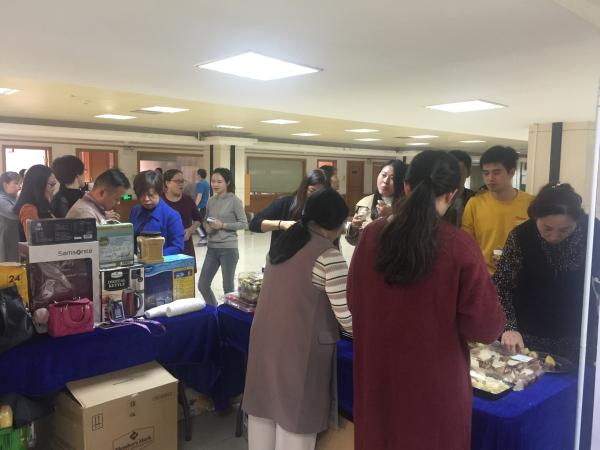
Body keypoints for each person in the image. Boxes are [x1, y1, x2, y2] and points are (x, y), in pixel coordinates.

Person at [347, 150, 505, 450]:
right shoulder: (459, 246)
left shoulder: (371, 235)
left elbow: (354, 301)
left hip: (378, 374)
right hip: (433, 385)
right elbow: (484, 327)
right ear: (452, 194)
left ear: (406, 186)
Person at [243, 188, 352, 450]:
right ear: (337, 223)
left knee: (263, 415)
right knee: (295, 423)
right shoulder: (328, 256)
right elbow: (349, 321)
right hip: (300, 350)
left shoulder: (283, 245)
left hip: (265, 343)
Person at [494, 183, 599, 361]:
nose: (554, 236)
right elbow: (501, 286)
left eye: (564, 230)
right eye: (547, 228)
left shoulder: (594, 232)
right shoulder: (521, 236)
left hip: (579, 335)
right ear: (535, 217)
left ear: (577, 220)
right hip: (527, 335)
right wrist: (509, 327)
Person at [462, 145, 533, 273]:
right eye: (486, 173)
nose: (490, 178)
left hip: (521, 273)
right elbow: (467, 244)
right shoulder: (474, 204)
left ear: (511, 172)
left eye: (496, 172)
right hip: (485, 274)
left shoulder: (530, 203)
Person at [198, 168, 248, 306]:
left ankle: (228, 314)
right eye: (213, 181)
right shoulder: (211, 201)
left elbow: (244, 223)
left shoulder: (234, 201)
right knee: (202, 284)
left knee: (228, 288)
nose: (215, 184)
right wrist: (207, 227)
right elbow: (206, 219)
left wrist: (223, 225)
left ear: (228, 182)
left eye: (219, 182)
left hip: (229, 249)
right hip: (212, 248)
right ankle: (215, 310)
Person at [249, 169, 328, 252]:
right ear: (304, 188)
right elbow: (254, 224)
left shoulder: (323, 209)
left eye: (320, 193)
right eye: (312, 191)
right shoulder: (284, 203)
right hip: (282, 257)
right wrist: (281, 224)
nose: (315, 197)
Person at [345, 159, 406, 245]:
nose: (386, 181)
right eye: (383, 175)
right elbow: (354, 242)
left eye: (393, 178)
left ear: (401, 182)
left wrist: (392, 216)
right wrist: (353, 228)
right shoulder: (364, 203)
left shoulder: (407, 206)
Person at [129, 170, 184, 256]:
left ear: (159, 193)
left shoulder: (172, 216)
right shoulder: (135, 210)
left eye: (150, 195)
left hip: (160, 262)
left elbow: (177, 247)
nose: (146, 199)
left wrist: (155, 255)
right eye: (142, 195)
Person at [162, 169, 202, 263]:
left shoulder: (187, 200)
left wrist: (190, 230)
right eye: (177, 181)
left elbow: (198, 219)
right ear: (167, 183)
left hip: (185, 246)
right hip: (165, 248)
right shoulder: (160, 201)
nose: (181, 184)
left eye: (182, 181)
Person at [13, 165, 57, 242]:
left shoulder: (43, 205)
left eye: (54, 184)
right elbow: (36, 240)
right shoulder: (29, 209)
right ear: (39, 185)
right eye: (51, 185)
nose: (54, 188)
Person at [443, 150, 475, 227]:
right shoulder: (435, 199)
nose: (454, 177)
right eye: (450, 173)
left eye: (459, 173)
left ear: (469, 173)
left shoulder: (475, 199)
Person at [0, 172, 21, 262]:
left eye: (19, 184)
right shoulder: (1, 200)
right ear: (5, 185)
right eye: (16, 183)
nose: (19, 187)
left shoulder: (13, 198)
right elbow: (16, 214)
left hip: (14, 240)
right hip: (6, 241)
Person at [194, 168, 210, 245]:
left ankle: (204, 237)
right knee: (201, 222)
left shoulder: (200, 184)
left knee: (196, 223)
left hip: (200, 206)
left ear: (199, 175)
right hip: (205, 205)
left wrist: (194, 206)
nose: (196, 175)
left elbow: (199, 196)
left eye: (196, 174)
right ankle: (205, 237)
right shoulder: (206, 183)